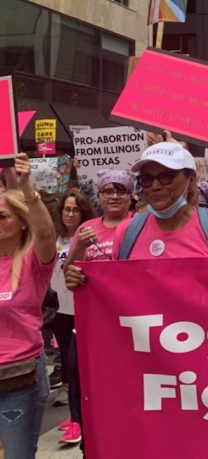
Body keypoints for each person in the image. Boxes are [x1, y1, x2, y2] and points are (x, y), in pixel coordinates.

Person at [65, 143, 208, 288]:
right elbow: (118, 291)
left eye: (166, 176)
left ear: (190, 179)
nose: (155, 186)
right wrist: (82, 280)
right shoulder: (127, 232)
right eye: (147, 179)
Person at [61, 170, 134, 446]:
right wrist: (79, 245)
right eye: (108, 191)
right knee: (89, 386)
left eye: (121, 190)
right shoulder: (85, 228)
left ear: (130, 196)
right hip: (92, 327)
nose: (114, 196)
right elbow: (69, 274)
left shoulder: (140, 224)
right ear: (99, 196)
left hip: (131, 328)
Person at [0, 154, 56, 459]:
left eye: (2, 216)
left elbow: (45, 233)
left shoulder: (33, 262)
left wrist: (26, 190)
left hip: (18, 381)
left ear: (22, 223)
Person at [48, 189, 95, 433]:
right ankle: (74, 417)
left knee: (78, 366)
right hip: (60, 310)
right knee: (66, 365)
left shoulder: (89, 237)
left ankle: (81, 418)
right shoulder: (55, 239)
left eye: (76, 209)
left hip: (83, 310)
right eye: (67, 208)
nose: (70, 213)